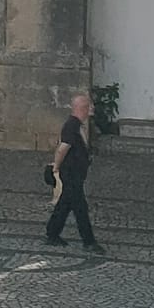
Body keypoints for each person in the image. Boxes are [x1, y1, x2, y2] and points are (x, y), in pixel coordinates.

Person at [45, 91, 98, 249]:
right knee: (80, 208)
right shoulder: (71, 126)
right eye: (88, 107)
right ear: (81, 108)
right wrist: (56, 166)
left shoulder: (76, 125)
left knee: (65, 204)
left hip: (75, 174)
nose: (91, 110)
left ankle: (52, 233)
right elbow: (63, 148)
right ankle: (89, 241)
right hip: (71, 174)